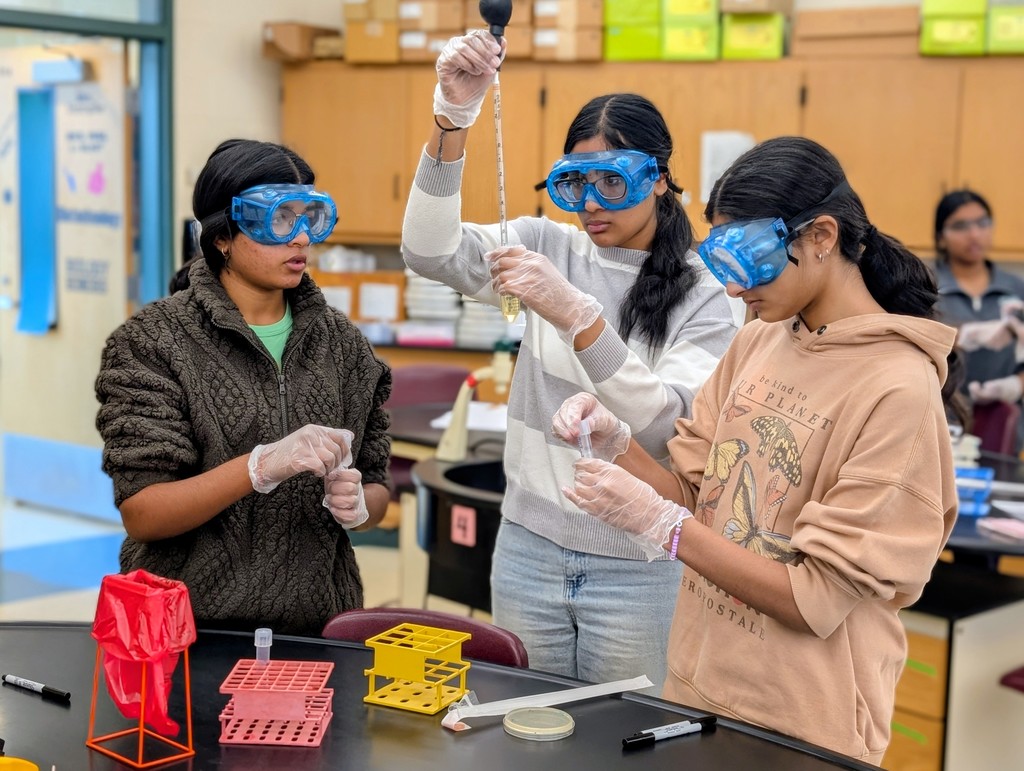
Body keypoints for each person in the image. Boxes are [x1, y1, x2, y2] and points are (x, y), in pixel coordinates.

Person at [551, 136, 958, 764]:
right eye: (721, 260)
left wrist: (665, 529)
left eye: (751, 259)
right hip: (699, 685)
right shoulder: (759, 340)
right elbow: (695, 494)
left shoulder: (896, 387)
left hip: (802, 721)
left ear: (820, 236)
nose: (737, 291)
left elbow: (813, 598)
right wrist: (620, 445)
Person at [401, 30, 742, 689]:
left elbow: (666, 429)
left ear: (661, 179)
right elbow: (427, 250)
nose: (590, 203)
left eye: (613, 181)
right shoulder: (544, 244)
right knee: (527, 730)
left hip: (638, 564)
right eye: (575, 182)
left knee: (620, 740)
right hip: (527, 547)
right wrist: (453, 118)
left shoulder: (709, 291)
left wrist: (579, 316)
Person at [95, 139, 393, 637]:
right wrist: (258, 467)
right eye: (279, 220)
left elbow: (380, 484)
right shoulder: (151, 343)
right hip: (187, 628)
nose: (300, 239)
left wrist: (361, 505)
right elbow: (143, 513)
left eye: (309, 218)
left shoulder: (344, 346)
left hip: (318, 627)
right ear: (222, 237)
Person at [931, 189, 1024, 452]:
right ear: (941, 236)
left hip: (1000, 429)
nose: (974, 234)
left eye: (982, 223)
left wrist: (1016, 385)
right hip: (940, 422)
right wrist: (965, 335)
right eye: (960, 226)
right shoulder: (926, 285)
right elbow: (907, 338)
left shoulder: (1016, 289)